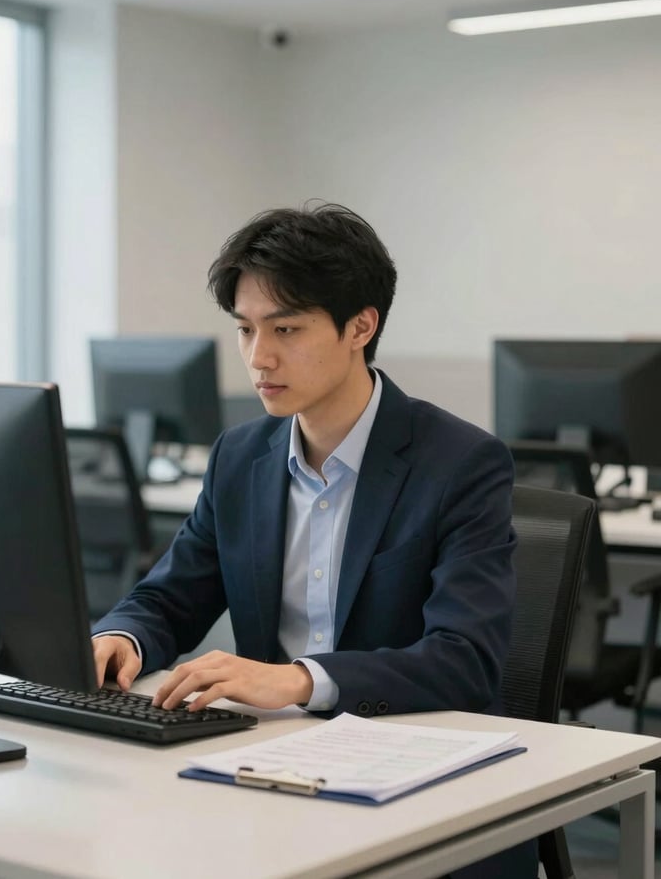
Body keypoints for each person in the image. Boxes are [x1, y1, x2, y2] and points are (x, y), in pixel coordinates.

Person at [91, 202, 537, 878]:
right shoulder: (241, 457)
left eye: (287, 329)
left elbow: (464, 660)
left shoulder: (459, 462)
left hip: (416, 777)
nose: (258, 357)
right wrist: (120, 637)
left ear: (362, 326)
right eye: (245, 329)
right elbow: (167, 598)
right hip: (272, 768)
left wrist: (299, 681)